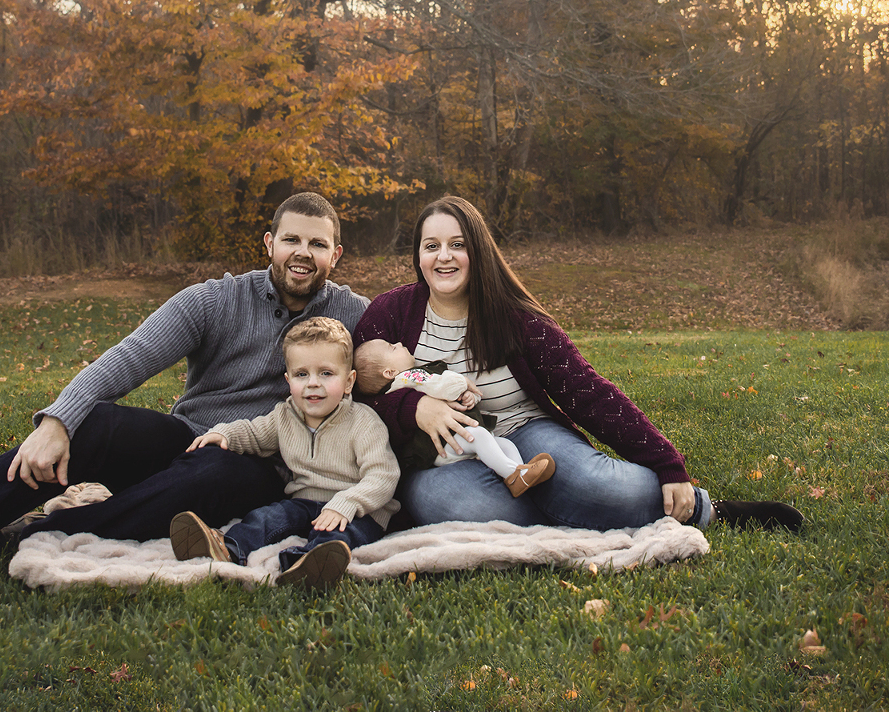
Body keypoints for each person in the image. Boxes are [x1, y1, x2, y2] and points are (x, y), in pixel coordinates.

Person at [0, 193, 369, 602]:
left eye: (318, 244)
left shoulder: (354, 315)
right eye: (293, 240)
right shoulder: (213, 300)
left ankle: (44, 531)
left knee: (216, 469)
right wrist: (58, 421)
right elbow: (127, 358)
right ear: (269, 242)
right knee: (100, 424)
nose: (304, 253)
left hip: (262, 463)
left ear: (336, 255)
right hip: (185, 439)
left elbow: (417, 346)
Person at [354, 194, 803, 534]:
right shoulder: (390, 314)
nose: (444, 256)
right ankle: (581, 522)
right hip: (443, 460)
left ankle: (708, 509)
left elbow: (588, 393)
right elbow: (355, 399)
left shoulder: (514, 317)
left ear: (479, 251)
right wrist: (412, 409)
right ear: (417, 255)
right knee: (456, 507)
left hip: (526, 430)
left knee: (597, 485)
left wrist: (667, 463)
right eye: (431, 245)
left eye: (457, 244)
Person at [168, 317, 398, 590]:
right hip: (305, 502)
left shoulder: (363, 422)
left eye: (326, 373)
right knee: (267, 517)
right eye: (302, 374)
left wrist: (347, 503)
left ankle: (307, 565)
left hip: (360, 510)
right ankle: (226, 547)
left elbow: (383, 475)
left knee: (338, 535)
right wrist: (225, 434)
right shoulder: (285, 416)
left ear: (349, 381)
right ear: (288, 381)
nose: (313, 383)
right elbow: (254, 433)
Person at [354, 338, 556, 497]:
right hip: (441, 444)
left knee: (503, 444)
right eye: (392, 347)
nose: (398, 343)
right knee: (480, 437)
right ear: (390, 372)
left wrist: (466, 398)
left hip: (452, 439)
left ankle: (520, 474)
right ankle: (515, 474)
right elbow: (441, 386)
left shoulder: (409, 380)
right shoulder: (408, 377)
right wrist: (461, 384)